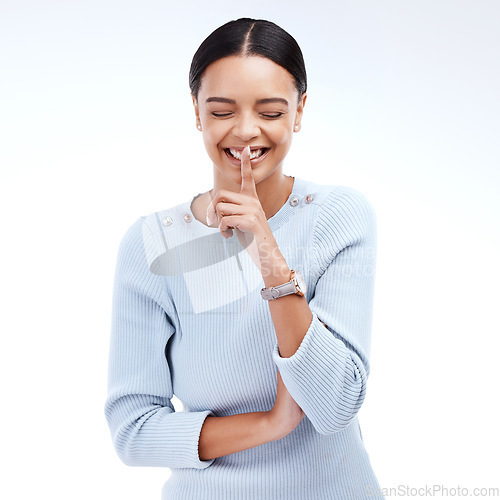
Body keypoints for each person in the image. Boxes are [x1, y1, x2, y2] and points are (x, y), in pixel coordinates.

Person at [104, 17, 384, 500]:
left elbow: (336, 404)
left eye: (272, 112)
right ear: (196, 111)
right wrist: (270, 424)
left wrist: (267, 252)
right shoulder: (153, 244)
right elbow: (133, 430)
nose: (247, 130)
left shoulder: (338, 217)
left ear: (299, 111)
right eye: (222, 110)